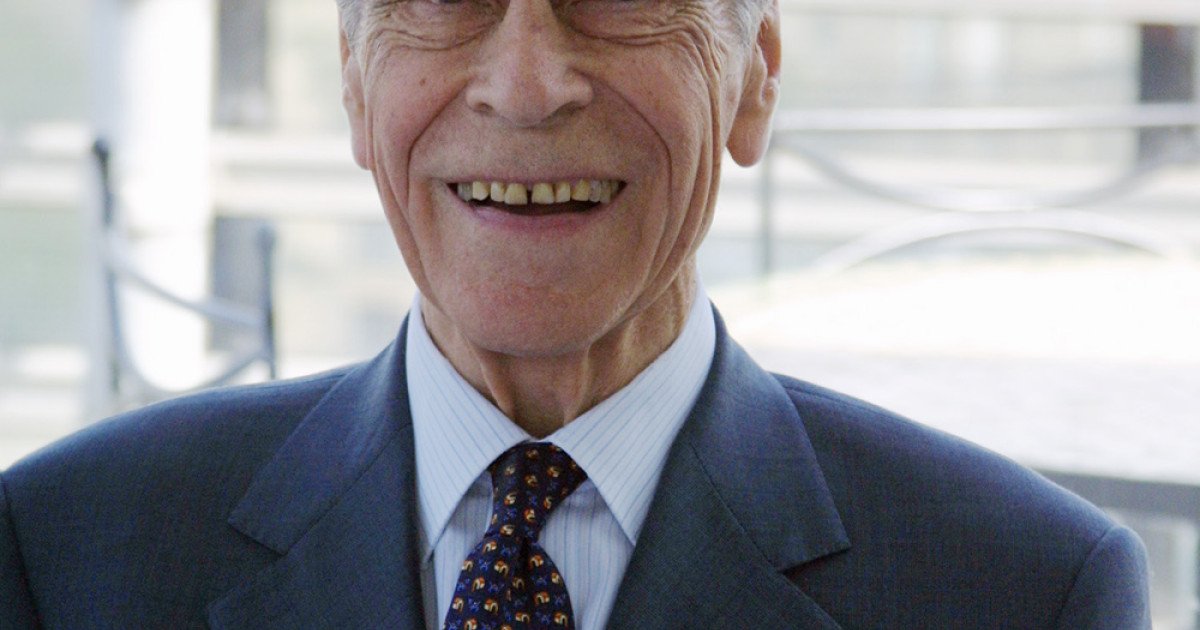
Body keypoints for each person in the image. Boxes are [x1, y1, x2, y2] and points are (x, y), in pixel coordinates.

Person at [1, 0, 1150, 628]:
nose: (526, 84)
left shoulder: (1027, 591)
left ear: (755, 78)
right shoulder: (62, 552)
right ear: (352, 81)